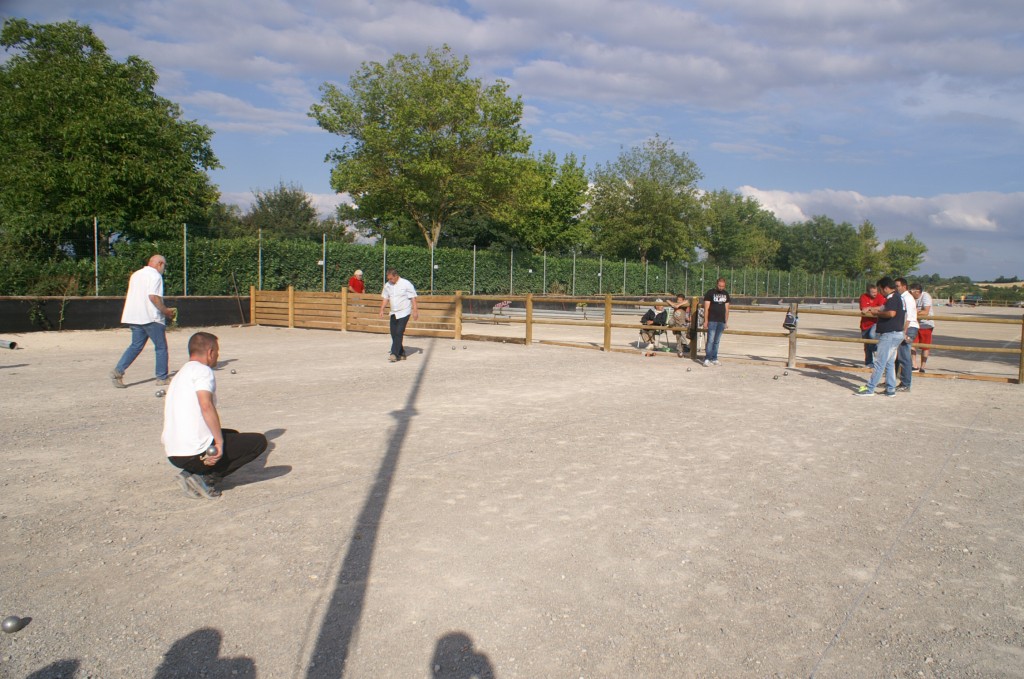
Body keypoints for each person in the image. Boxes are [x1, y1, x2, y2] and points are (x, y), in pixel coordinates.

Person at [162, 332, 268, 499]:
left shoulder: (181, 374)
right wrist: (218, 443)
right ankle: (204, 478)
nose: (218, 355)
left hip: (175, 453)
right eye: (217, 351)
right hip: (193, 452)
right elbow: (206, 405)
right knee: (258, 442)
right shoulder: (203, 371)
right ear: (210, 352)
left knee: (233, 435)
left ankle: (189, 472)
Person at [111, 254, 177, 388]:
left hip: (134, 316)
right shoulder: (155, 276)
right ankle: (162, 377)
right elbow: (153, 297)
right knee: (161, 347)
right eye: (164, 265)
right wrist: (166, 311)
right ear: (160, 264)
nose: (164, 269)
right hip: (151, 317)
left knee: (135, 346)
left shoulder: (136, 274)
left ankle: (118, 371)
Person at [856, 277, 905, 397]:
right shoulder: (897, 298)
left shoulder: (893, 298)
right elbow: (883, 308)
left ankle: (870, 389)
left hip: (889, 334)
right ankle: (890, 389)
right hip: (896, 334)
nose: (879, 292)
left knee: (880, 363)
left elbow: (890, 313)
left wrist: (876, 313)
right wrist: (873, 309)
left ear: (886, 288)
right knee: (889, 363)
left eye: (880, 290)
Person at [378, 268, 419, 363]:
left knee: (399, 332)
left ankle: (394, 354)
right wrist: (382, 309)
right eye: (388, 278)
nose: (390, 280)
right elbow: (385, 298)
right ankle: (402, 352)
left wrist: (415, 310)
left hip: (404, 312)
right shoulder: (387, 285)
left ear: (396, 276)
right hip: (393, 312)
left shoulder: (406, 283)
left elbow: (413, 298)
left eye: (391, 278)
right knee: (393, 333)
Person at [894, 277, 918, 392]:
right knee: (896, 357)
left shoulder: (907, 299)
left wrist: (903, 332)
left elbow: (908, 318)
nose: (896, 288)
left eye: (898, 286)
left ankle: (906, 383)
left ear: (904, 286)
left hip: (908, 328)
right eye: (895, 286)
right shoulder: (902, 297)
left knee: (904, 357)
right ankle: (892, 380)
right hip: (905, 327)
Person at [702, 278, 730, 366]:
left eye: (723, 286)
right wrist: (706, 321)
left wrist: (726, 321)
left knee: (717, 340)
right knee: (710, 340)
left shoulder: (726, 294)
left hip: (721, 321)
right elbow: (706, 308)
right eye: (719, 286)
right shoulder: (710, 293)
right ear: (716, 284)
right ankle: (707, 358)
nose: (721, 288)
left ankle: (714, 358)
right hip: (712, 320)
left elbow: (727, 309)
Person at [858, 283, 886, 367]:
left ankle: (876, 350)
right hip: (865, 324)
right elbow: (863, 309)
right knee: (866, 343)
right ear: (867, 292)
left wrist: (870, 308)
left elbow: (882, 307)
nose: (875, 294)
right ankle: (869, 362)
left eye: (876, 291)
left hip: (876, 322)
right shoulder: (863, 297)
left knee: (872, 335)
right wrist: (874, 309)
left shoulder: (880, 297)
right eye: (872, 292)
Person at [910, 283, 934, 372]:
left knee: (925, 347)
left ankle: (923, 366)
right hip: (914, 324)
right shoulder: (910, 297)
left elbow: (926, 312)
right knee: (912, 345)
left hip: (926, 324)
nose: (910, 293)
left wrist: (914, 312)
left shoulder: (926, 296)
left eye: (912, 291)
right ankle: (914, 365)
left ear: (918, 292)